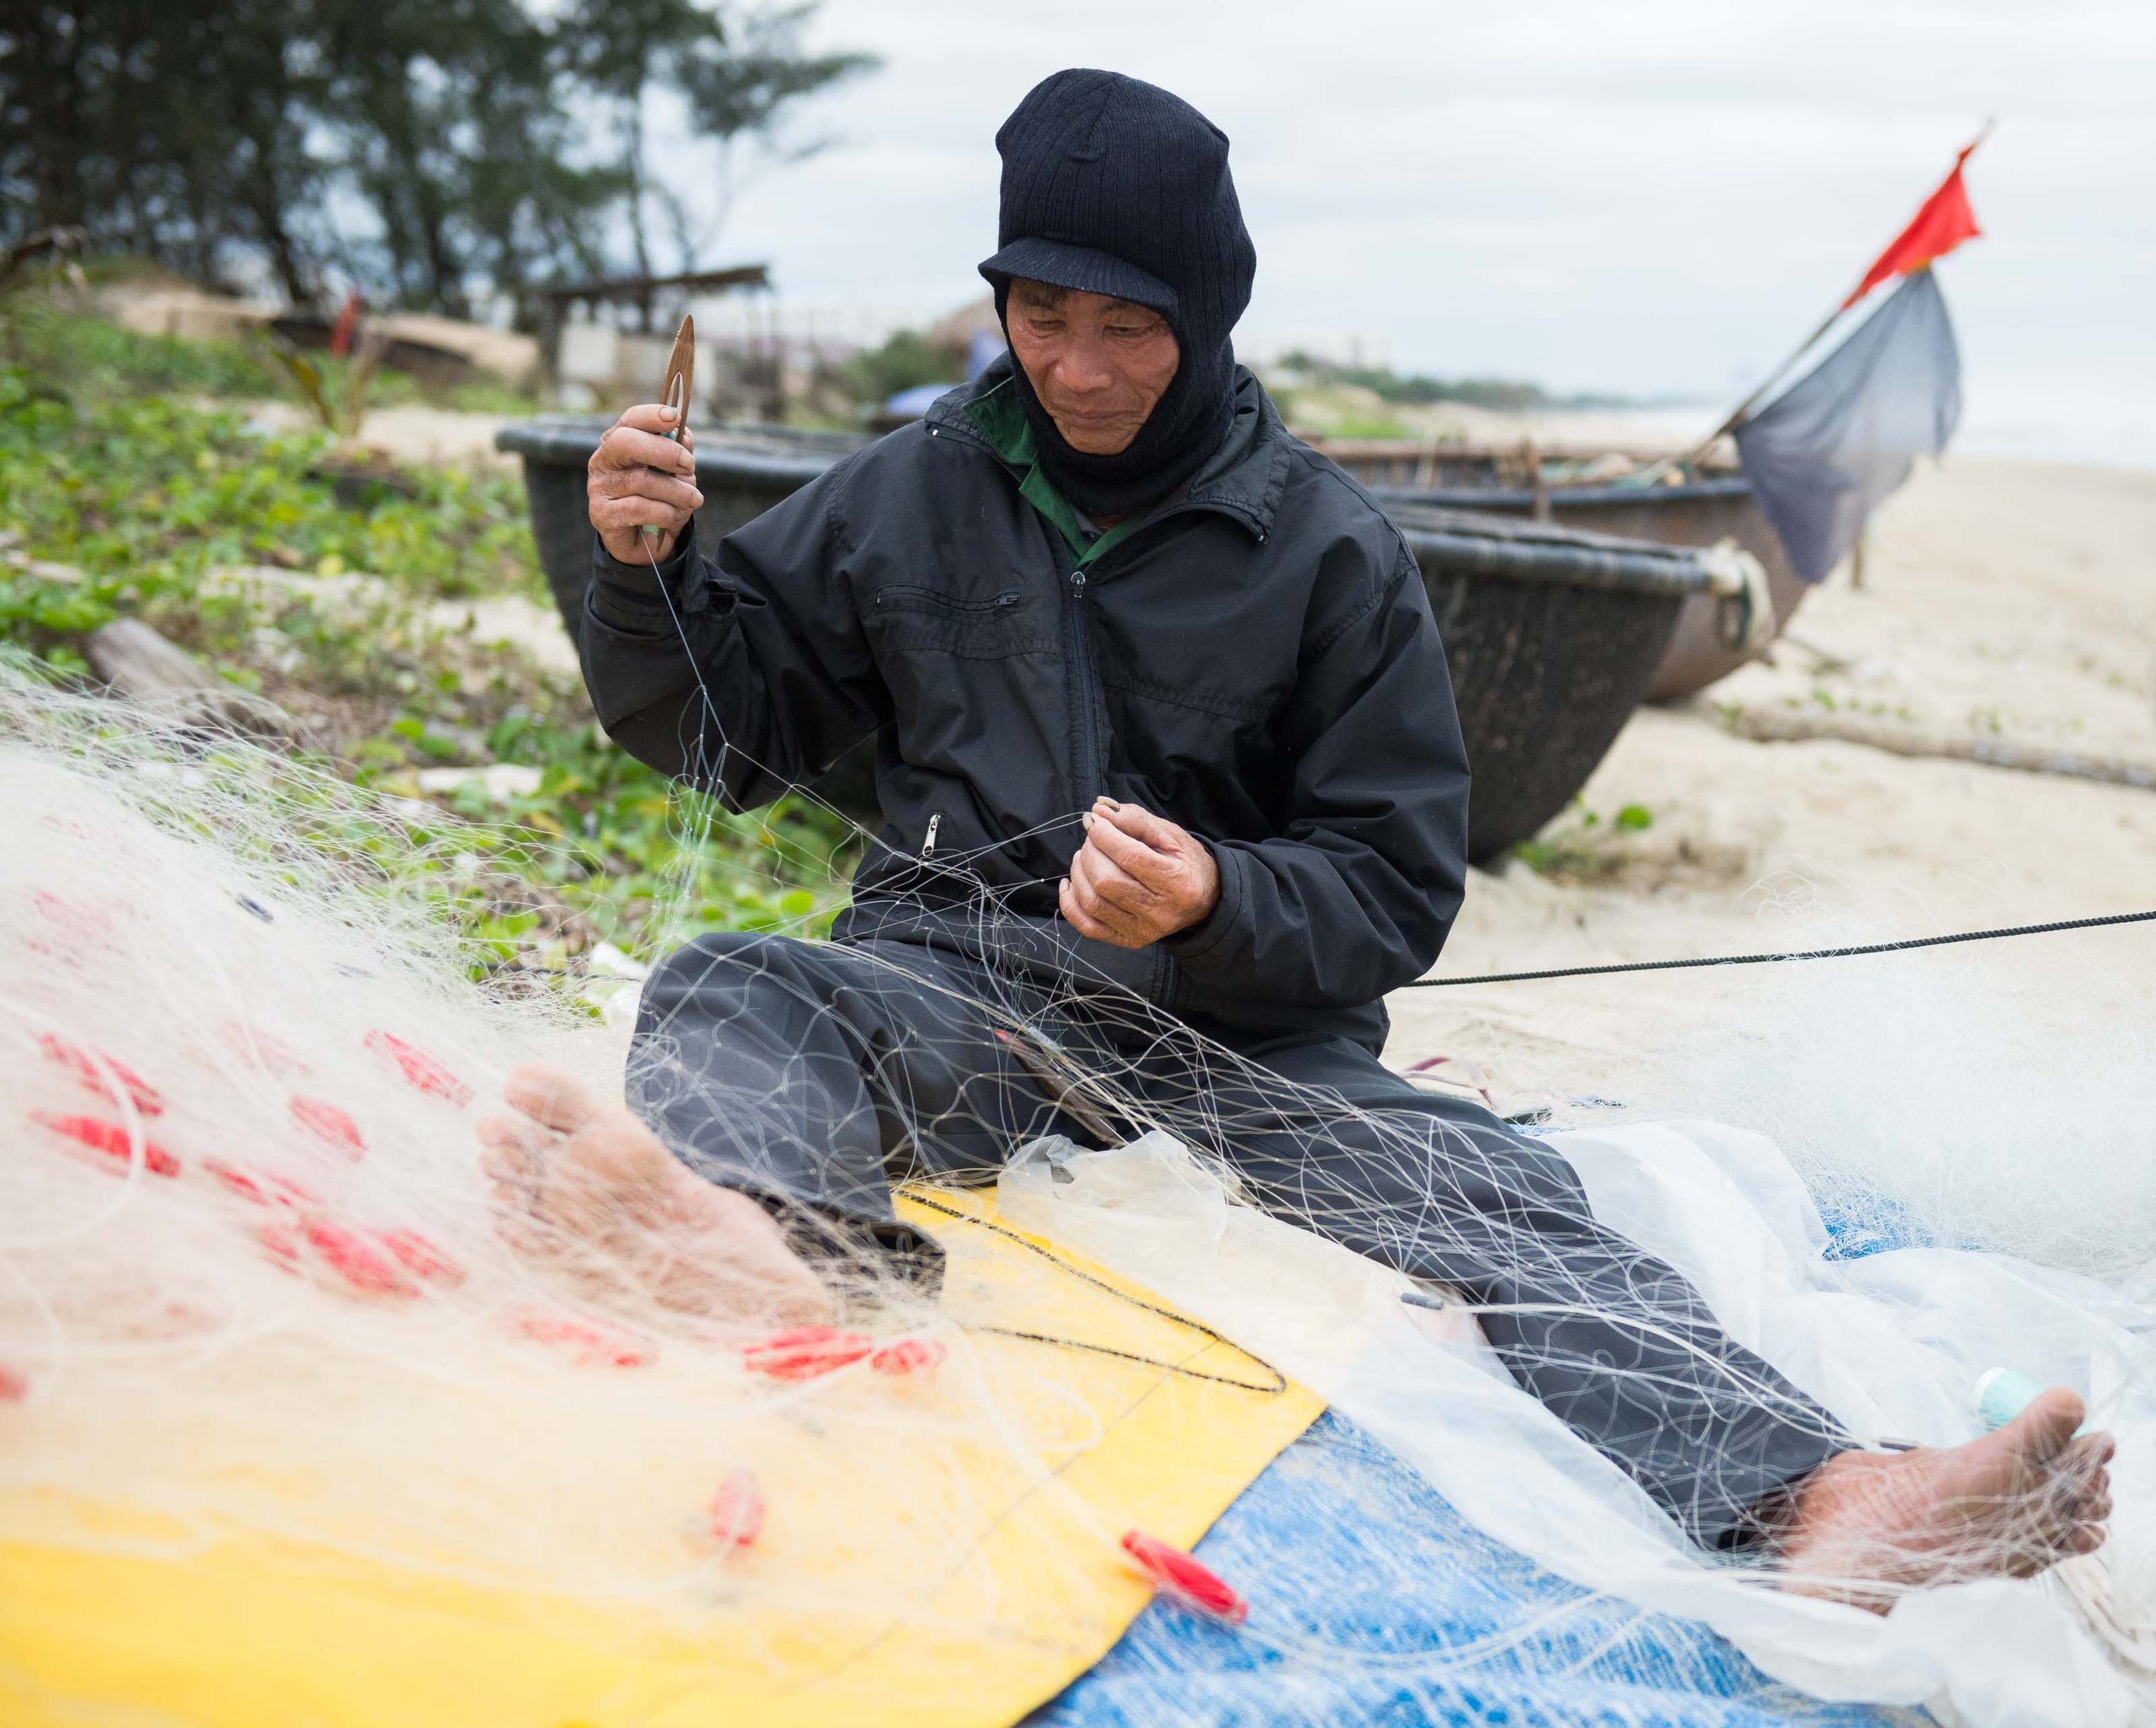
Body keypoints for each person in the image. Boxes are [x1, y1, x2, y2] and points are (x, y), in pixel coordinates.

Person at [479, 68, 2111, 1604]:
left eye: (1127, 327)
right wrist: (648, 574)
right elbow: (723, 736)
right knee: (733, 984)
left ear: (1206, 317)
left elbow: (1395, 880)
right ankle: (770, 1262)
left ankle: (1829, 1501)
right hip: (953, 996)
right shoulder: (911, 486)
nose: (1078, 368)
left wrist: (1211, 900)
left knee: (1495, 1190)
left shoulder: (1332, 551)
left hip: (1234, 1050)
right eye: (1040, 318)